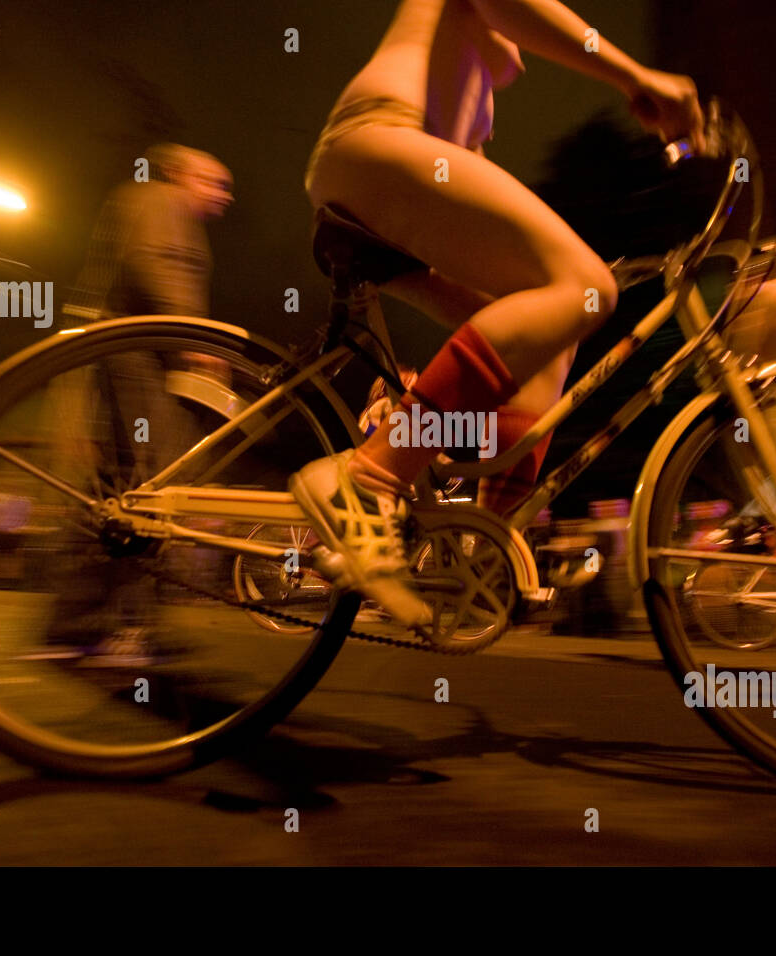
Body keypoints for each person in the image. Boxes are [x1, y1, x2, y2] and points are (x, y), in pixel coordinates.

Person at [289, 0, 704, 628]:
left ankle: (486, 545)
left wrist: (553, 291)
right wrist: (637, 78)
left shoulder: (467, 89)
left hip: (384, 173)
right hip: (378, 142)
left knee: (554, 329)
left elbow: (475, 198)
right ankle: (370, 478)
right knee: (585, 287)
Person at [40, 143, 234, 664]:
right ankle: (129, 630)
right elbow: (159, 263)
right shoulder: (163, 201)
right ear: (179, 175)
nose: (224, 196)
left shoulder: (142, 200)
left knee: (116, 488)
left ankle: (75, 627)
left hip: (128, 354)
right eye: (214, 182)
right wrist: (192, 336)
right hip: (143, 358)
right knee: (151, 489)